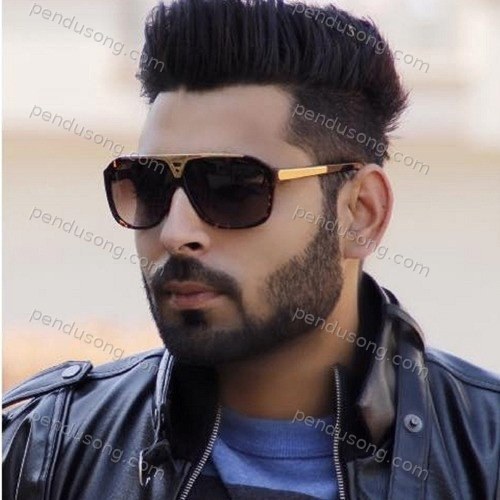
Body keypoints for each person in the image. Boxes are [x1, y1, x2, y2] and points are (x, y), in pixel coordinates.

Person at [3, 1, 500, 498]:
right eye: (150, 186)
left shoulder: (485, 453)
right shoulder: (43, 452)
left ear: (360, 213)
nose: (176, 232)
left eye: (232, 187)